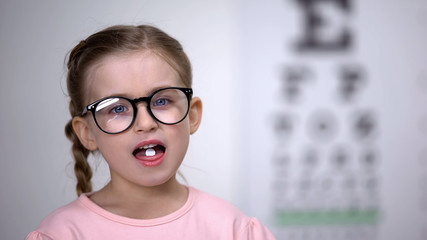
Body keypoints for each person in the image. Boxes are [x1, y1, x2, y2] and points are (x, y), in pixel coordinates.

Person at [26, 24, 276, 240]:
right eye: (118, 108)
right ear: (87, 133)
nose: (145, 123)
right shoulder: (60, 234)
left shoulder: (235, 231)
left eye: (162, 101)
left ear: (192, 115)